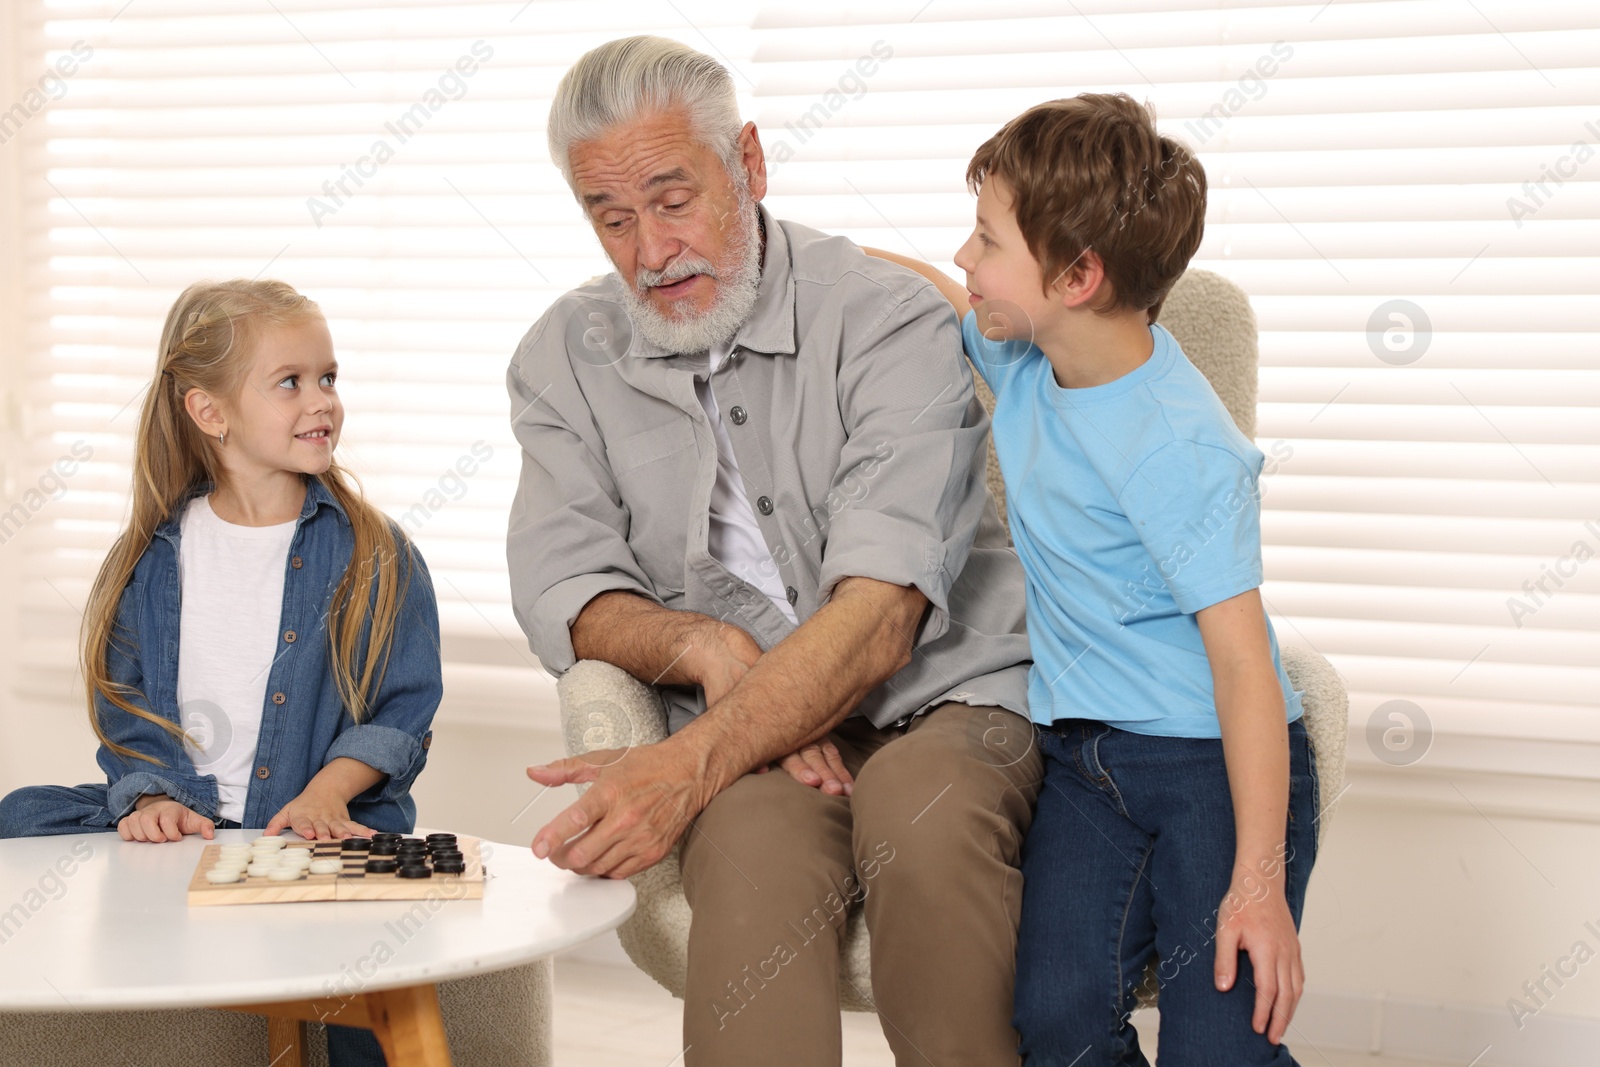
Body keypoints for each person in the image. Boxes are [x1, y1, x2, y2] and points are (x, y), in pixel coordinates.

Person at [507, 35, 1042, 1067]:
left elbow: (884, 611)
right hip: (746, 729)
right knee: (753, 860)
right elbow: (564, 587)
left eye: (672, 199)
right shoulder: (560, 358)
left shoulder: (886, 317)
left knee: (920, 825)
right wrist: (707, 646)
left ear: (746, 164)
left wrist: (696, 753)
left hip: (950, 693)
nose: (649, 250)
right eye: (610, 217)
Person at [873, 93, 1319, 1065]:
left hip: (1210, 764)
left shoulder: (1178, 446)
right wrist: (814, 253)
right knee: (1057, 1021)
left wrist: (1256, 881)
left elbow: (1243, 668)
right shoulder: (1031, 357)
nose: (962, 256)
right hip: (1085, 762)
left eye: (986, 240)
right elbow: (947, 299)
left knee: (1218, 1047)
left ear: (1077, 276)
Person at [0, 279, 443, 1067]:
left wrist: (326, 792)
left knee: (369, 953)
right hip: (191, 824)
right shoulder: (154, 558)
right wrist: (154, 793)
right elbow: (127, 706)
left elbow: (403, 707)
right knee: (19, 815)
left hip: (311, 828)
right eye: (291, 381)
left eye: (329, 377)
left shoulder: (378, 553)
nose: (322, 402)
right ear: (210, 412)